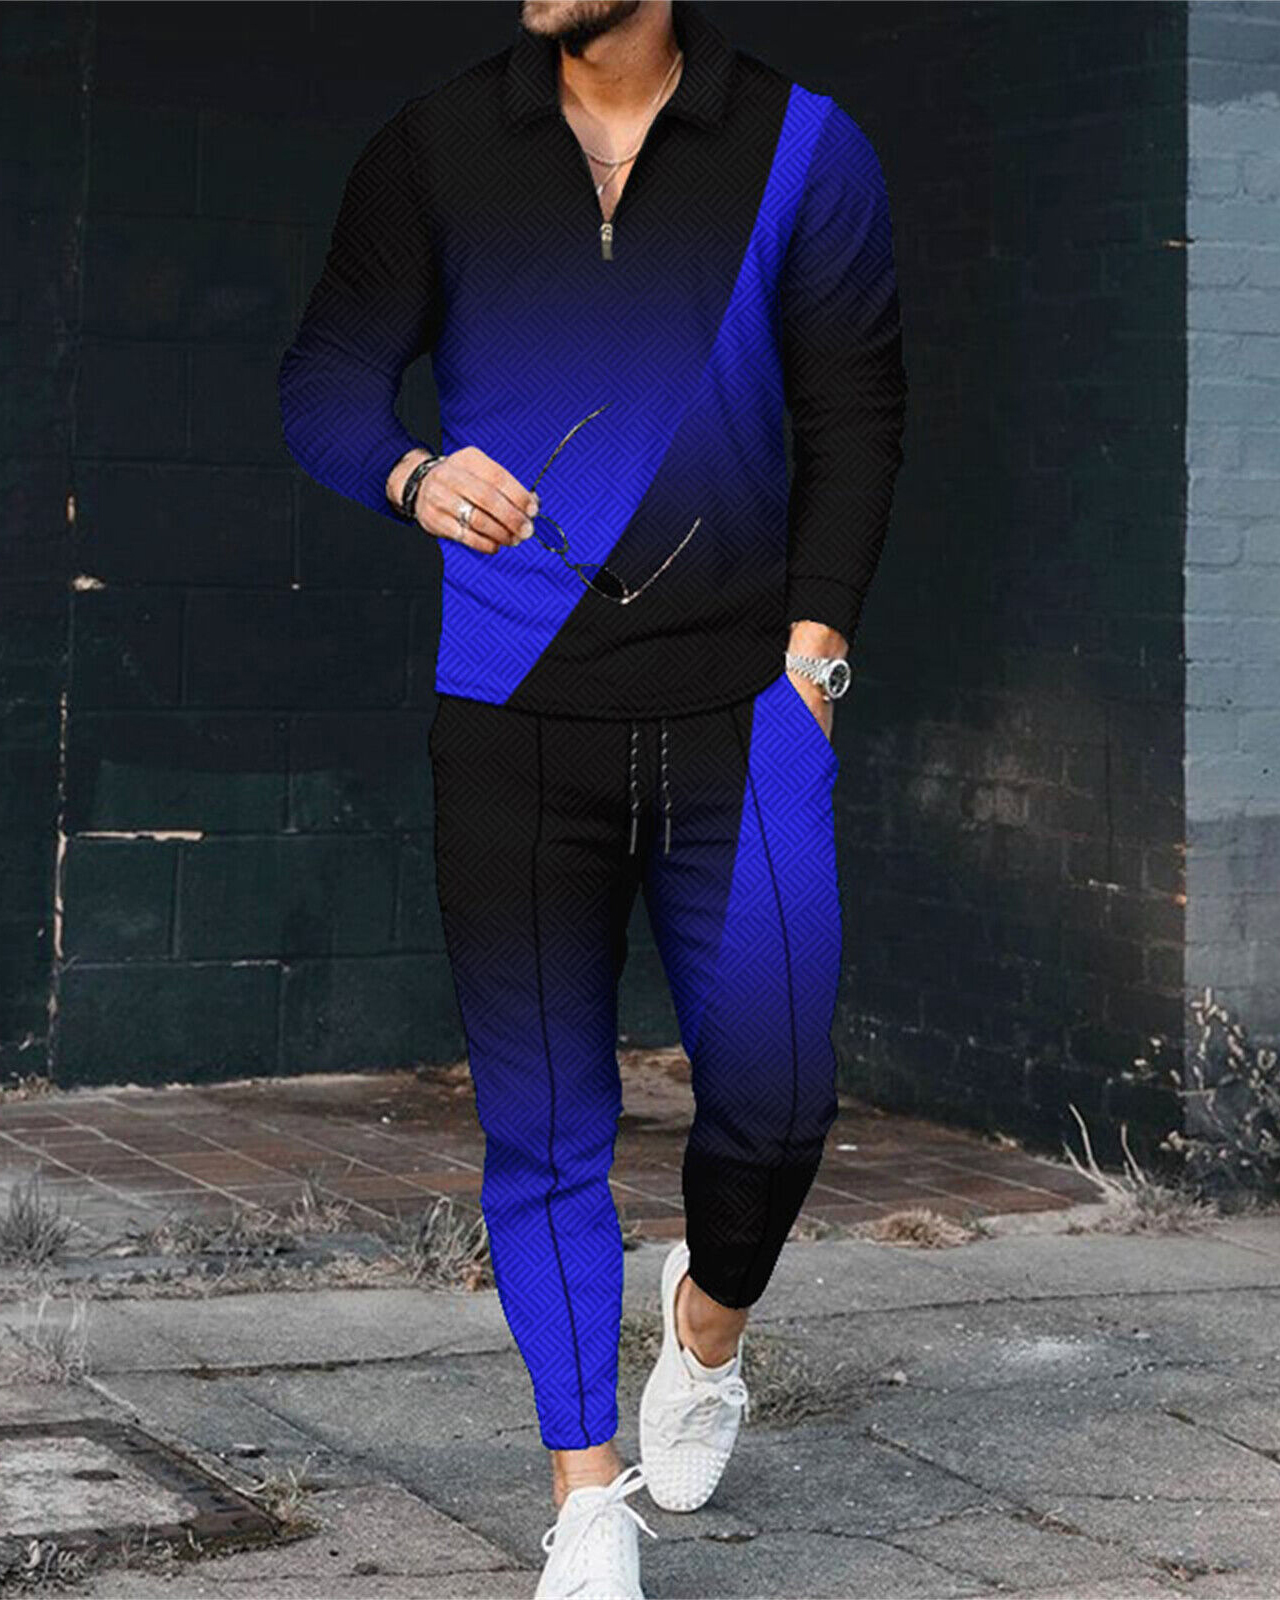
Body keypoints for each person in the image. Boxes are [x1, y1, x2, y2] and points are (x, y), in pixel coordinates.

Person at [278, 2, 908, 1593]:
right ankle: (585, 1497)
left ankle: (706, 1330)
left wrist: (815, 665)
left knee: (779, 1101)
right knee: (545, 1128)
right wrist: (410, 473)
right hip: (512, 716)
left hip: (742, 721)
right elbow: (326, 378)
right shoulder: (438, 145)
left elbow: (857, 412)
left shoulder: (804, 147)